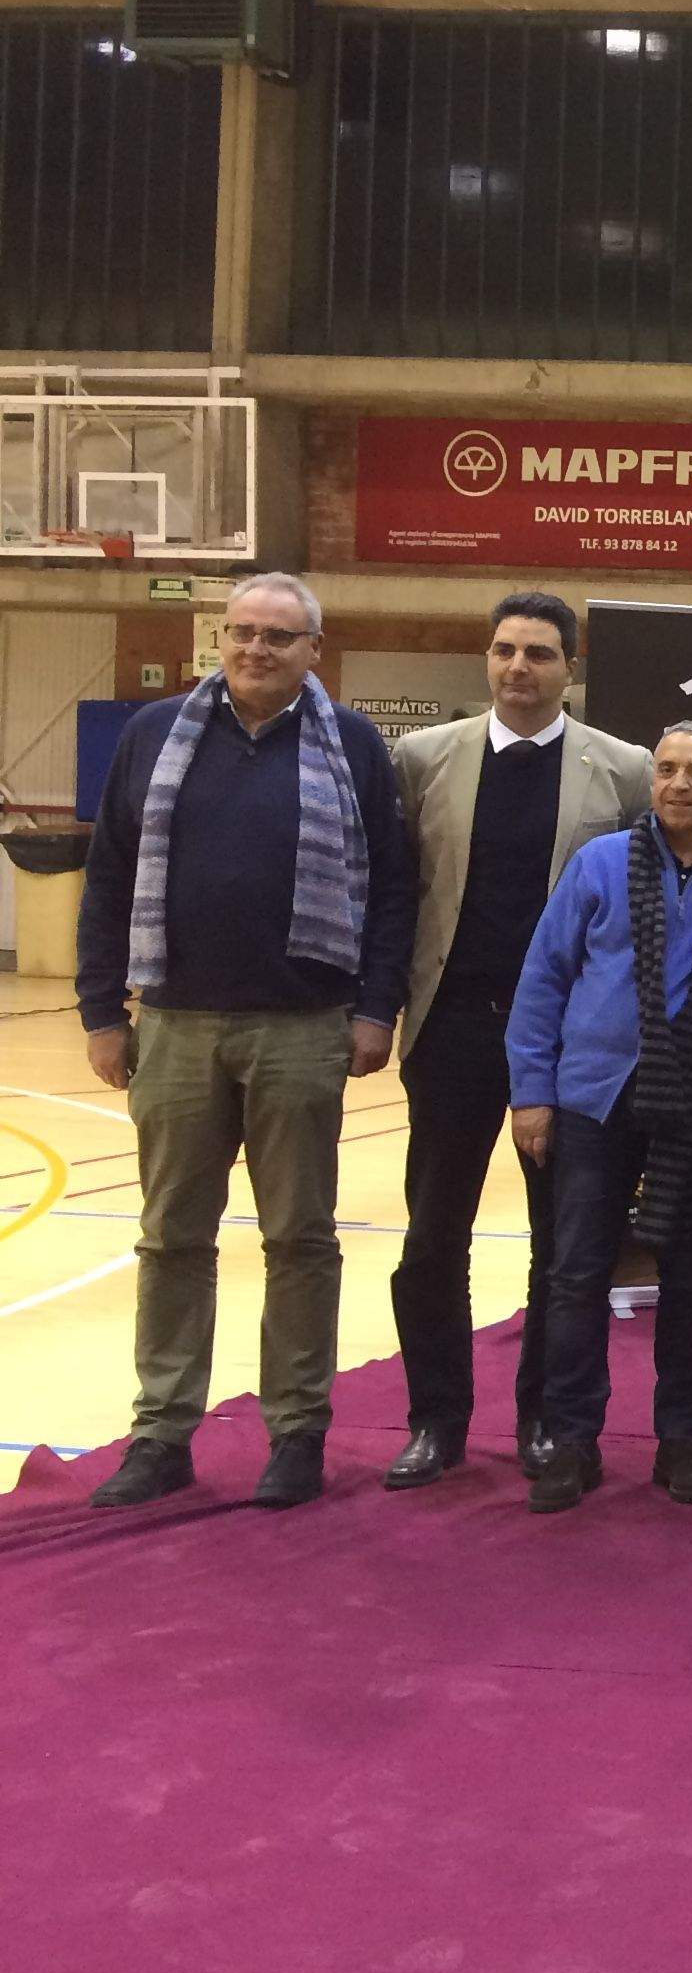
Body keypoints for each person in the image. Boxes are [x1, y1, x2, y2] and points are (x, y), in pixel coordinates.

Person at [82, 574, 415, 1514]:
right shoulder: (153, 736)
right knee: (172, 1238)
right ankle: (161, 1434)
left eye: (279, 636)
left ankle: (298, 1432)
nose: (256, 650)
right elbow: (108, 872)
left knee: (300, 1239)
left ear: (315, 649)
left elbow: (393, 888)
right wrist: (103, 1011)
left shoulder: (352, 744)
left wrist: (374, 1007)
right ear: (217, 641)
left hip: (304, 1027)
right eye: (242, 633)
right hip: (177, 1025)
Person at [379, 591, 652, 1491]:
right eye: (504, 651)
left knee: (561, 1244)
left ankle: (546, 1419)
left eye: (538, 653)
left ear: (570, 667)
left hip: (570, 1040)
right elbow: (393, 896)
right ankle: (437, 1419)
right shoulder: (424, 758)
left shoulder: (626, 769)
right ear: (486, 659)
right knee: (433, 1238)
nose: (517, 668)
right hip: (453, 1025)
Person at [503, 721, 692, 1513]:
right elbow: (544, 979)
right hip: (594, 1095)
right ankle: (571, 1440)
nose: (679, 785)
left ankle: (677, 1439)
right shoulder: (599, 865)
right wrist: (531, 1091)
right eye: (666, 769)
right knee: (576, 1273)